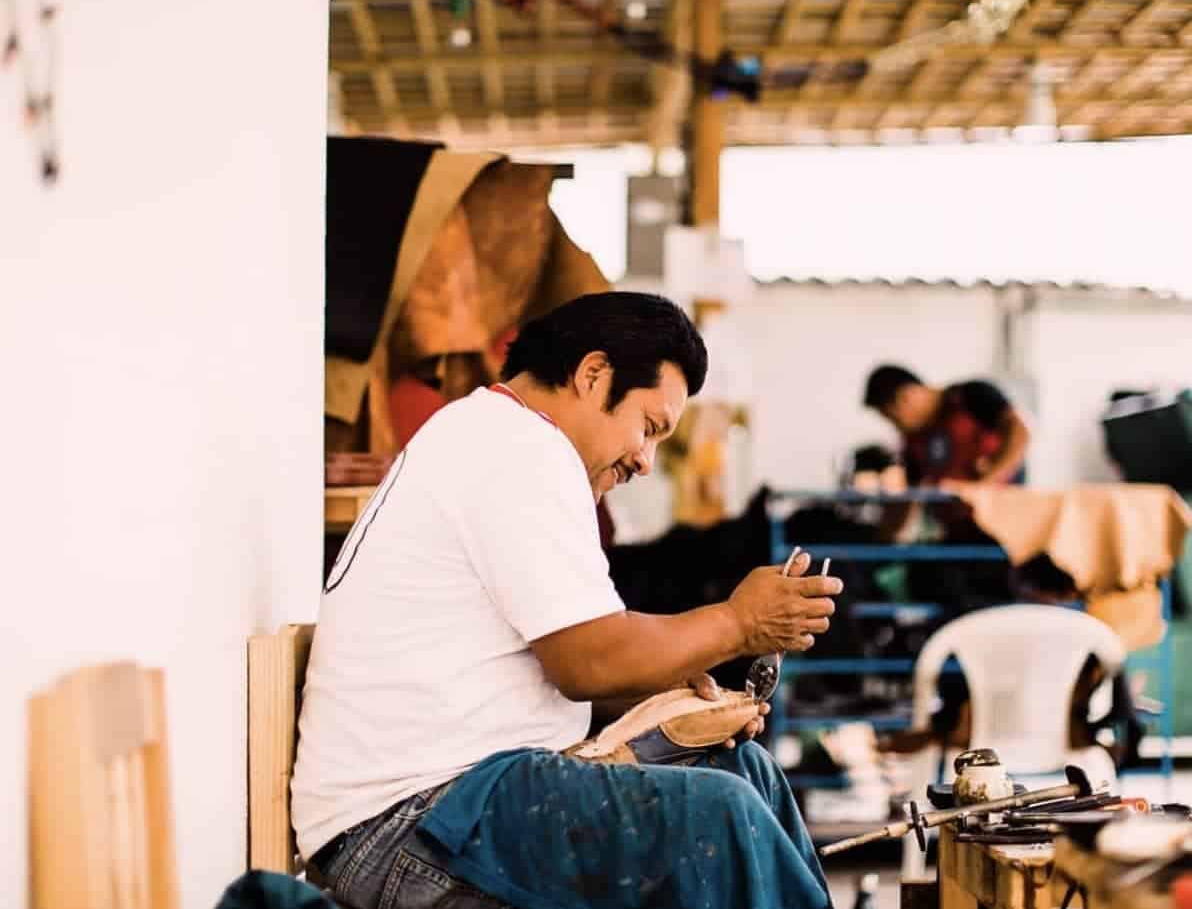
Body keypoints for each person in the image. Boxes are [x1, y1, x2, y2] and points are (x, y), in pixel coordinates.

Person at [292, 292, 843, 909]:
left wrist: (664, 684)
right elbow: (588, 661)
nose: (645, 458)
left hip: (464, 802)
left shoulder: (503, 438)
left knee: (748, 775)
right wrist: (740, 623)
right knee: (722, 814)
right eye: (648, 427)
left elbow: (578, 655)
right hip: (405, 825)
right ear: (592, 375)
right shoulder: (518, 448)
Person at [861, 364, 1031, 487]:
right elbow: (911, 493)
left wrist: (986, 484)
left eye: (894, 419)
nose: (896, 428)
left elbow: (1020, 433)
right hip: (958, 528)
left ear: (906, 397)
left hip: (1003, 517)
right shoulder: (913, 440)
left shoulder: (971, 396)